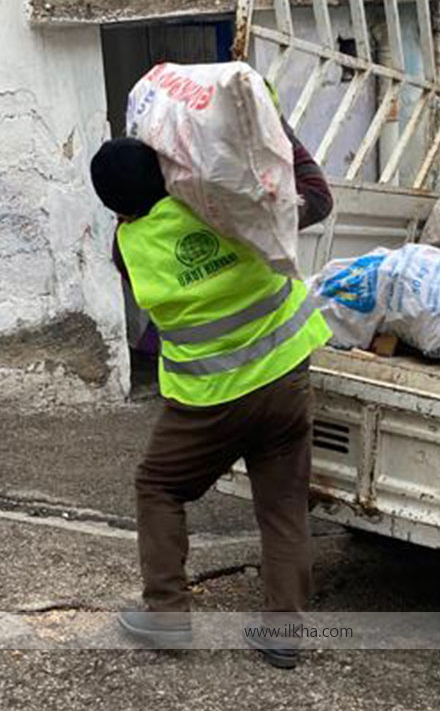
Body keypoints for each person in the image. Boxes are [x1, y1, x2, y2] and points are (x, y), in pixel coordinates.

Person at [90, 115, 333, 670]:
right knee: (282, 504)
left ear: (117, 208)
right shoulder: (229, 205)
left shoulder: (128, 247)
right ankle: (284, 633)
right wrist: (270, 129)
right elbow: (316, 197)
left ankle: (168, 616)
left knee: (158, 486)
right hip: (286, 375)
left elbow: (131, 222)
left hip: (212, 398)